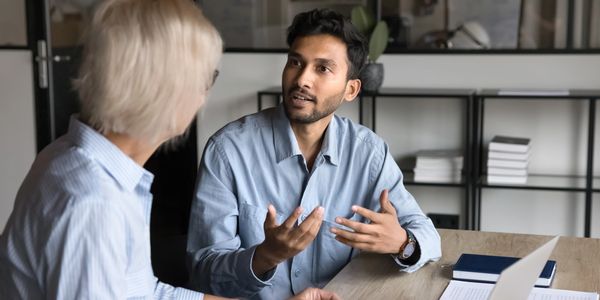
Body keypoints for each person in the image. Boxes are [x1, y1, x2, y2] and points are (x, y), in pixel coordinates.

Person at [0, 1, 337, 299]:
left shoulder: (71, 156)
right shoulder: (94, 206)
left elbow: (146, 292)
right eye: (207, 78)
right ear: (167, 90)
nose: (204, 96)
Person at [187, 8, 442, 300]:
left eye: (323, 68)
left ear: (351, 89)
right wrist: (265, 257)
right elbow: (202, 273)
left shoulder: (368, 153)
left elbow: (426, 235)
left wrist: (402, 243)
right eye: (295, 62)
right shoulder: (227, 151)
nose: (302, 80)